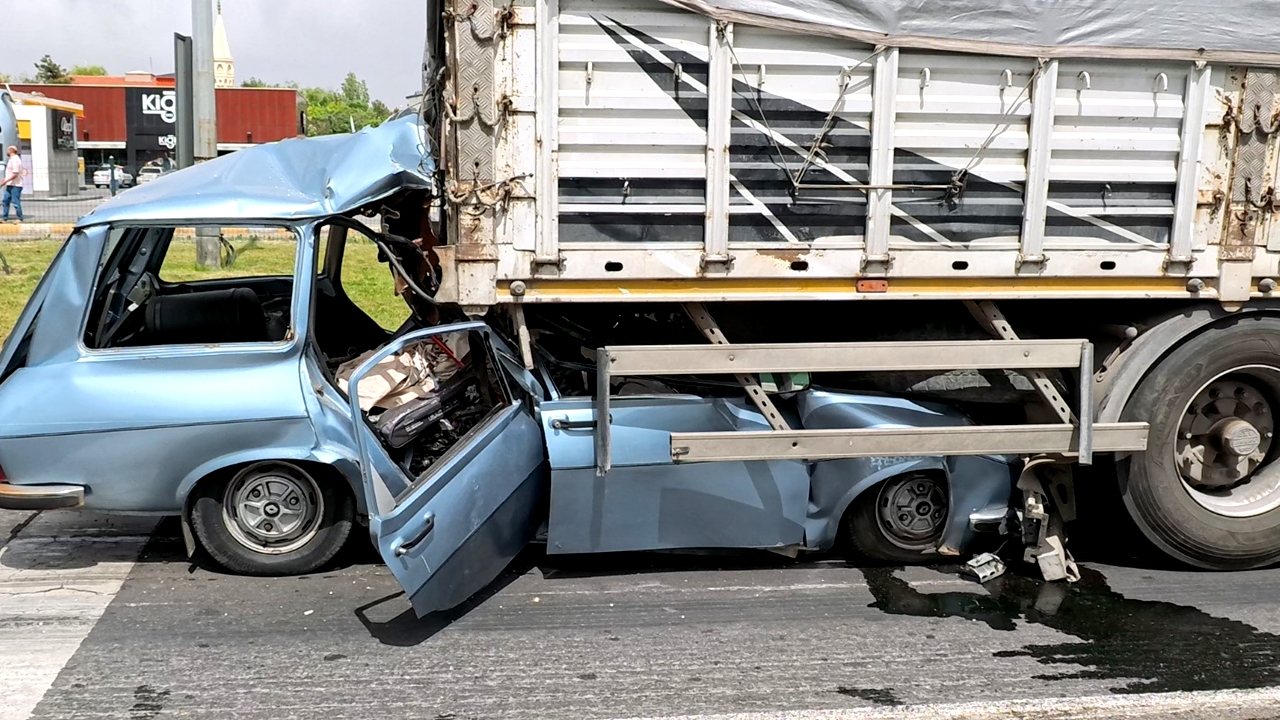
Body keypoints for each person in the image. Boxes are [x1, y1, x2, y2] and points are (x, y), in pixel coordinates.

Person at [1, 146, 24, 222]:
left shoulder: (15, 160)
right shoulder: (12, 160)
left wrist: (5, 181)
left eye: (7, 150)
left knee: (15, 202)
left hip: (16, 185)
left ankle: (20, 218)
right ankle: (4, 218)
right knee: (5, 200)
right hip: (10, 184)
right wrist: (4, 180)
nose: (6, 152)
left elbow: (15, 174)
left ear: (11, 151)